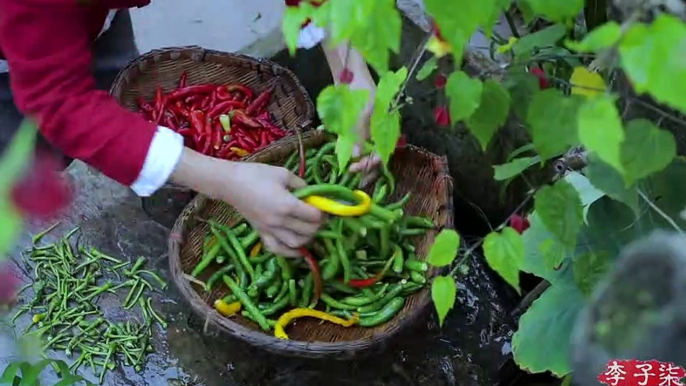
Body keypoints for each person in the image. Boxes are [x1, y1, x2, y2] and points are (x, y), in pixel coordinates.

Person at [0, 0, 378, 257]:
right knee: (18, 171)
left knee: (112, 99)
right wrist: (227, 179)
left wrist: (351, 75)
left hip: (90, 14)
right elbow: (60, 100)